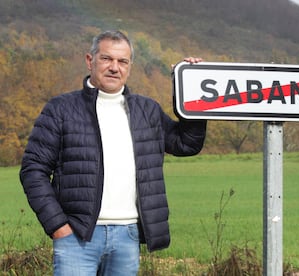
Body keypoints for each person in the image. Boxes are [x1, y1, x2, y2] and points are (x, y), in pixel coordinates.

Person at [19, 30, 207, 275]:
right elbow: (33, 170)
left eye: (122, 61)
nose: (114, 67)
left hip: (127, 236)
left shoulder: (147, 110)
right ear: (90, 60)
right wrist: (58, 226)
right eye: (107, 59)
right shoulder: (61, 109)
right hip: (77, 235)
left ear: (129, 66)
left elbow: (186, 144)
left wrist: (191, 86)